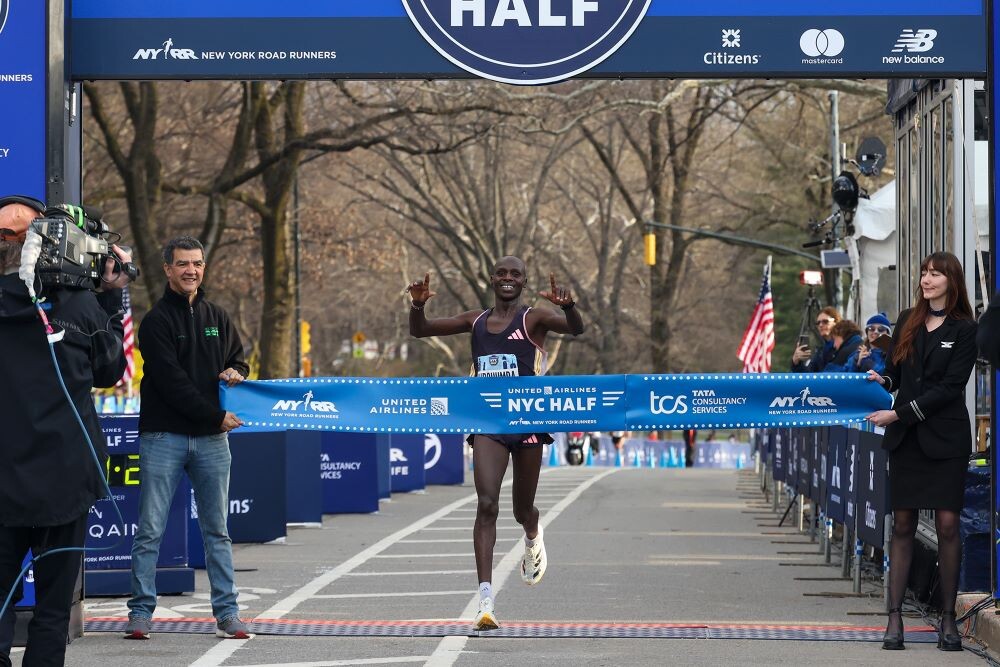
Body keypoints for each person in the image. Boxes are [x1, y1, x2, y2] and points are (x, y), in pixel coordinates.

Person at [407, 257, 584, 630]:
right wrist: (418, 305)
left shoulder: (534, 319)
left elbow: (575, 329)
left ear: (523, 282)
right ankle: (485, 600)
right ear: (491, 279)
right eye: (501, 273)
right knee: (487, 504)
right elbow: (420, 331)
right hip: (488, 422)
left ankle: (532, 534)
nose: (508, 278)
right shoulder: (475, 321)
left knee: (522, 510)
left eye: (515, 274)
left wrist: (568, 307)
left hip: (528, 422)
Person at [0, 197, 132, 666]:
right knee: (54, 607)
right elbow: (111, 370)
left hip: (14, 478)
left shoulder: (74, 303)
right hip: (65, 479)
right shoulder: (79, 305)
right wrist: (110, 296)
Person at [125, 237, 251, 641]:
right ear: (168, 269)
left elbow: (238, 360)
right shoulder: (156, 322)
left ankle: (228, 614)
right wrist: (216, 416)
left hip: (212, 440)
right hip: (164, 436)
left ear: (203, 268)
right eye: (182, 264)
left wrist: (236, 372)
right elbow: (172, 383)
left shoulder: (218, 316)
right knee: (150, 529)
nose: (190, 271)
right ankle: (140, 613)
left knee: (217, 530)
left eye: (196, 263)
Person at [866, 251, 977, 652]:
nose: (926, 280)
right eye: (924, 273)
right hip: (908, 442)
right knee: (902, 525)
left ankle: (947, 618)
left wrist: (899, 413)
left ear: (952, 281)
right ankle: (894, 617)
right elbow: (896, 372)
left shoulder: (966, 329)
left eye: (935, 274)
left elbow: (950, 388)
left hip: (945, 440)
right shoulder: (906, 321)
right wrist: (882, 379)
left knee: (947, 525)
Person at [791, 306, 841, 372]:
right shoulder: (820, 352)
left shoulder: (844, 346)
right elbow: (809, 375)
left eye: (825, 321)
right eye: (818, 323)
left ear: (836, 322)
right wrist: (796, 362)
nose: (820, 325)